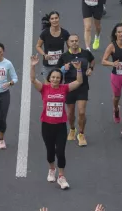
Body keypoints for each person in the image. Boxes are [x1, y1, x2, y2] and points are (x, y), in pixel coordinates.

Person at [31, 54, 84, 189]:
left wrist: (78, 69)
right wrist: (33, 66)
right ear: (50, 78)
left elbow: (78, 82)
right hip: (47, 125)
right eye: (53, 77)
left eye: (58, 78)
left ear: (61, 80)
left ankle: (61, 176)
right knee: (50, 151)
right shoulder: (44, 88)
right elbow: (32, 79)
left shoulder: (64, 88)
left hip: (60, 126)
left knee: (60, 151)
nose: (55, 79)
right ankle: (51, 169)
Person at [36, 11, 71, 80]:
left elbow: (70, 48)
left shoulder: (65, 33)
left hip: (60, 65)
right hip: (47, 65)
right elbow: (38, 46)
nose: (54, 20)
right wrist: (44, 55)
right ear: (49, 20)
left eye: (56, 18)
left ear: (59, 19)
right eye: (52, 19)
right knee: (48, 87)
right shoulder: (45, 33)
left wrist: (67, 60)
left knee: (59, 86)